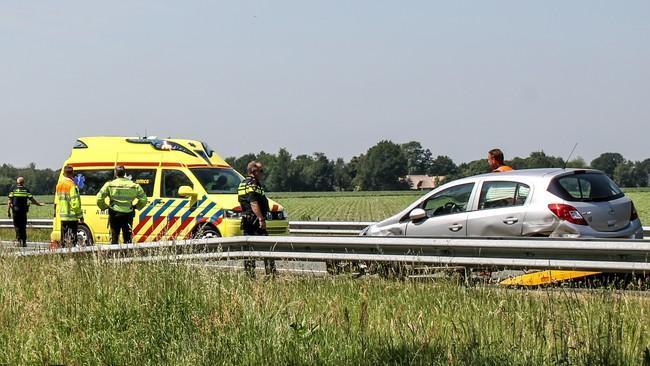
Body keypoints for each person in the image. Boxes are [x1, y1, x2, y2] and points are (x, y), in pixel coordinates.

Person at [237, 161, 276, 276]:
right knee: (267, 249)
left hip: (246, 220)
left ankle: (250, 275)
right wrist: (261, 219)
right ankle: (271, 274)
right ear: (254, 172)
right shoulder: (254, 184)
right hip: (255, 221)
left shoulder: (242, 184)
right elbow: (254, 203)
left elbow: (242, 202)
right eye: (261, 171)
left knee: (248, 250)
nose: (263, 174)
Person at [96, 165, 148, 244]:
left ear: (115, 174)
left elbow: (99, 198)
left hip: (114, 213)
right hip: (128, 214)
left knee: (114, 237)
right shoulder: (134, 185)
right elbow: (144, 200)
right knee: (127, 238)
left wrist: (105, 207)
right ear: (124, 173)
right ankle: (127, 255)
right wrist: (136, 206)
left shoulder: (109, 185)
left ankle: (113, 255)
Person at [7, 177, 44, 247]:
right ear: (23, 182)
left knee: (17, 226)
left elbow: (9, 202)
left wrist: (8, 211)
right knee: (23, 226)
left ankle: (18, 241)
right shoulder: (26, 190)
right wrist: (39, 204)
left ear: (17, 182)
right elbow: (32, 200)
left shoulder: (13, 190)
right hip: (23, 211)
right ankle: (24, 242)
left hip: (15, 211)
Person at [54, 165, 84, 247]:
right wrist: (80, 216)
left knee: (64, 238)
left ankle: (63, 254)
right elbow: (75, 203)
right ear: (72, 173)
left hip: (63, 215)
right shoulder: (72, 186)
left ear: (63, 173)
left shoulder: (59, 185)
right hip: (72, 216)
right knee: (72, 239)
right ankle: (72, 254)